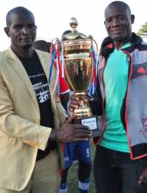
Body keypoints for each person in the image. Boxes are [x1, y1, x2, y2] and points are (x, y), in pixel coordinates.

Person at [0, 6, 91, 193]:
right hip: (14, 163)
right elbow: (3, 118)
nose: (26, 31)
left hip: (48, 160)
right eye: (18, 26)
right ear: (7, 31)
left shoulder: (47, 59)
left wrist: (70, 115)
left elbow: (53, 101)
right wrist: (54, 134)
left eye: (31, 26)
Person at [70, 1, 147, 193]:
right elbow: (101, 103)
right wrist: (84, 102)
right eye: (110, 19)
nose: (115, 23)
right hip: (105, 148)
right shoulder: (104, 57)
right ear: (105, 24)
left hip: (137, 153)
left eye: (120, 17)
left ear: (131, 19)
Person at [34, 40, 92, 193]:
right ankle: (63, 188)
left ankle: (82, 189)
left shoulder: (60, 72)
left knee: (86, 162)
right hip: (47, 133)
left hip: (69, 125)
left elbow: (65, 103)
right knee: (62, 166)